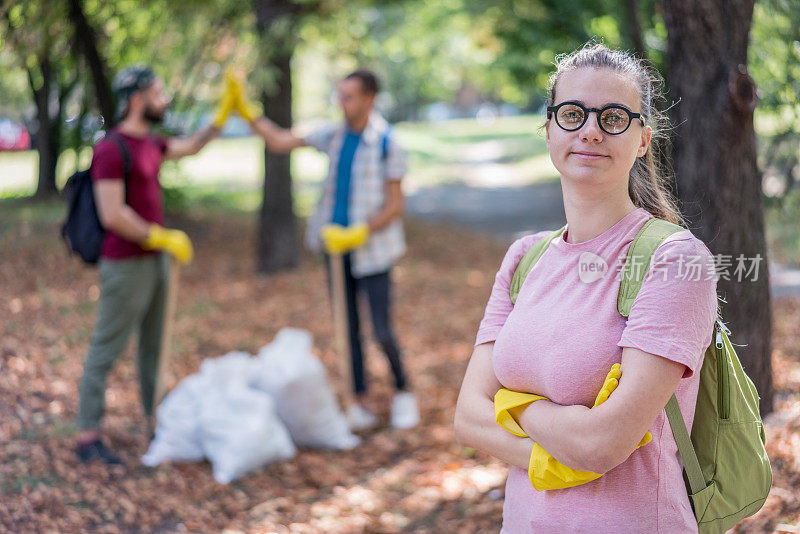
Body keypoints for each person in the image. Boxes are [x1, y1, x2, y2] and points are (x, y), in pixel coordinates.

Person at [453, 43, 719, 532]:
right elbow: (468, 418)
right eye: (573, 114)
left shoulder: (676, 261)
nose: (591, 131)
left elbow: (604, 444)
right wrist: (554, 456)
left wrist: (515, 406)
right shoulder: (523, 259)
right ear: (550, 129)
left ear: (642, 139)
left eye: (614, 116)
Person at [231, 69, 419, 431]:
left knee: (381, 330)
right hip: (335, 253)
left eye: (349, 96)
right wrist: (246, 111)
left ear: (369, 99)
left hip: (374, 252)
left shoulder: (387, 143)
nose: (342, 102)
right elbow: (280, 141)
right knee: (346, 330)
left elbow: (395, 205)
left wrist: (359, 232)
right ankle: (359, 400)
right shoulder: (332, 134)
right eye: (340, 95)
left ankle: (403, 391)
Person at [76, 64, 236, 464]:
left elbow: (193, 146)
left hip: (157, 263)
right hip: (125, 264)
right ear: (137, 99)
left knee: (155, 345)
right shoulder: (111, 148)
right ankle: (88, 435)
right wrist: (158, 235)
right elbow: (112, 213)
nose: (163, 100)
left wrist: (223, 114)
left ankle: (157, 421)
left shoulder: (152, 142)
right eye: (158, 93)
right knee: (106, 347)